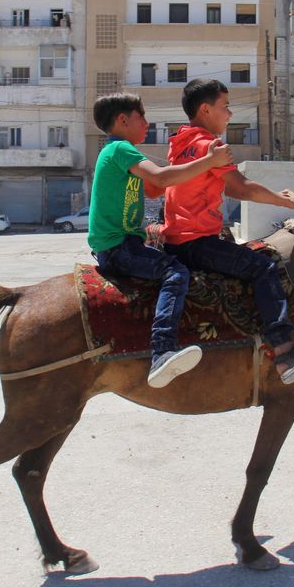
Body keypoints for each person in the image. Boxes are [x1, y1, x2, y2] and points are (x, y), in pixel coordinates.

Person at [161, 78, 294, 385]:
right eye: (225, 107)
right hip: (197, 241)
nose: (229, 114)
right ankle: (285, 353)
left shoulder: (181, 145)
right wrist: (286, 201)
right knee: (264, 268)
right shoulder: (209, 146)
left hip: (177, 241)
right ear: (205, 110)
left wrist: (280, 198)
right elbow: (240, 188)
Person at [88, 92, 234, 388]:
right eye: (141, 117)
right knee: (175, 272)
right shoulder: (120, 149)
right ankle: (162, 350)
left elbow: (157, 189)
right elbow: (164, 179)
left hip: (122, 245)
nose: (147, 123)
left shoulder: (119, 154)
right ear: (123, 120)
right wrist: (209, 161)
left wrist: (184, 170)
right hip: (119, 247)